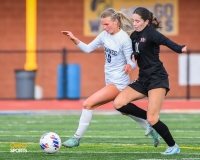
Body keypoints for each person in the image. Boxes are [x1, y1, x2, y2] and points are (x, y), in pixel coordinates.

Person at [61, 8, 160, 148]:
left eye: (107, 24)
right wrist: (73, 38)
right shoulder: (104, 35)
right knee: (124, 109)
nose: (104, 27)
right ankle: (151, 126)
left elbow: (132, 61)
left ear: (116, 22)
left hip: (118, 82)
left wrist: (129, 66)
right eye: (103, 25)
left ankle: (76, 138)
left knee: (88, 104)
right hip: (110, 80)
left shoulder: (124, 39)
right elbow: (88, 49)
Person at [113, 7, 187, 155]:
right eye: (133, 20)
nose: (135, 23)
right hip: (143, 79)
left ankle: (173, 146)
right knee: (119, 103)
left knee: (153, 118)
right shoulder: (134, 36)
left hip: (157, 79)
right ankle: (149, 120)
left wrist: (179, 48)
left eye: (138, 21)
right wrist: (133, 54)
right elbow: (135, 50)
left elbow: (166, 41)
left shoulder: (152, 34)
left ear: (146, 21)